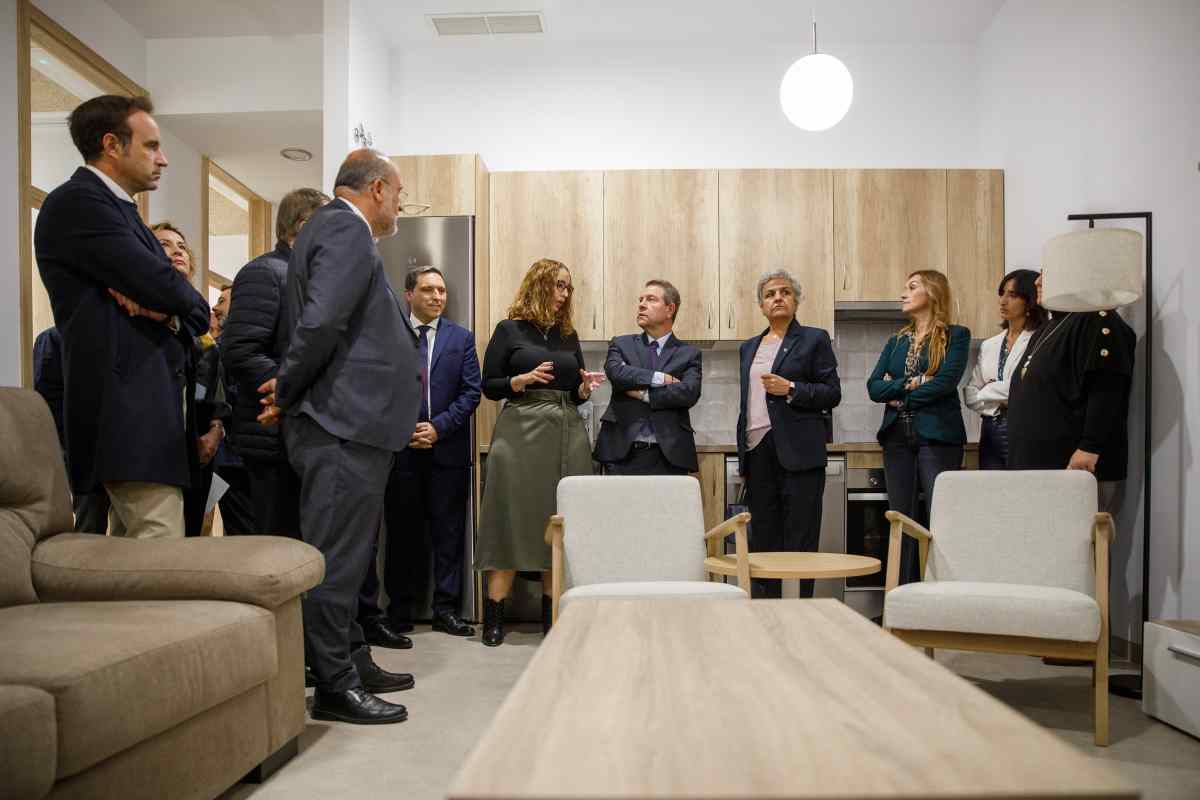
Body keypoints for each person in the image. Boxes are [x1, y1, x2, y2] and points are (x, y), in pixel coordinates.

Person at [257, 150, 422, 725]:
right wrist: (286, 390)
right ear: (377, 188)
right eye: (399, 193)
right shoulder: (344, 228)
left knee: (351, 558)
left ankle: (352, 658)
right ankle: (333, 683)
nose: (400, 204)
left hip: (353, 424)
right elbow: (321, 322)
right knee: (336, 560)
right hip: (341, 422)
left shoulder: (337, 232)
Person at [35, 94, 209, 539]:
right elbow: (167, 288)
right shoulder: (79, 203)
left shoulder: (122, 212)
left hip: (144, 418)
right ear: (112, 145)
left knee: (133, 563)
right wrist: (174, 301)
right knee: (160, 558)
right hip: (123, 413)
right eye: (151, 146)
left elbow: (193, 309)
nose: (163, 159)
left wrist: (171, 314)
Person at [476, 258, 602, 646]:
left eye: (568, 288)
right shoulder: (509, 329)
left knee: (560, 521)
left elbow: (574, 389)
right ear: (538, 285)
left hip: (566, 430)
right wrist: (520, 379)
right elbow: (489, 385)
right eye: (557, 286)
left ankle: (553, 616)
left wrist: (584, 389)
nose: (564, 295)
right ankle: (495, 615)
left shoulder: (569, 335)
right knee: (509, 516)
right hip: (519, 430)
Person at [367, 266, 481, 638]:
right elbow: (378, 389)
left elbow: (470, 393)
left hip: (447, 452)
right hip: (400, 452)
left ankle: (446, 610)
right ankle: (399, 611)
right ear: (409, 294)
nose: (437, 297)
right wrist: (405, 429)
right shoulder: (391, 335)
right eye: (429, 290)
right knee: (402, 536)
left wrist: (438, 427)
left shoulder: (461, 339)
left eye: (442, 291)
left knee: (449, 536)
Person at [222, 188, 328, 538]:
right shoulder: (265, 272)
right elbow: (241, 350)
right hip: (272, 438)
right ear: (303, 225)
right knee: (277, 545)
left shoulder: (308, 278)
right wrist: (291, 391)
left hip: (302, 434)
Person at [736, 270, 841, 599]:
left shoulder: (813, 339)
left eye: (785, 292)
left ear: (796, 301)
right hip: (757, 449)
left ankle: (799, 613)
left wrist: (791, 388)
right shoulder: (748, 347)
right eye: (770, 294)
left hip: (799, 452)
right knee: (764, 539)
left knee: (800, 538)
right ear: (761, 306)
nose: (777, 298)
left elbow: (832, 393)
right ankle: (767, 613)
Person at [867, 270, 970, 585]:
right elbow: (873, 388)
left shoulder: (956, 335)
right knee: (902, 521)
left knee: (941, 520)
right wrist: (913, 382)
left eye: (912, 287)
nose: (903, 293)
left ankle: (941, 599)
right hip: (897, 438)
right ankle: (904, 597)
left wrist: (900, 395)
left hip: (938, 436)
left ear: (933, 292)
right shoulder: (896, 340)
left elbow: (945, 383)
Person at [1007, 273, 1136, 512]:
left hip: (1073, 467)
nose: (1037, 282)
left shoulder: (1099, 319)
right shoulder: (1049, 327)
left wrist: (1090, 447)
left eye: (1047, 273)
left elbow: (1107, 388)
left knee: (1078, 547)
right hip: (1039, 467)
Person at [151, 222, 228, 537]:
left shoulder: (200, 329)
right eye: (165, 244)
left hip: (200, 446)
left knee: (194, 533)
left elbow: (214, 386)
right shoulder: (144, 315)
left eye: (181, 245)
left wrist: (215, 429)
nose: (176, 250)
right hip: (156, 445)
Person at [594, 280, 701, 475]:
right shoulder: (622, 344)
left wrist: (643, 394)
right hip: (621, 452)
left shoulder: (689, 353)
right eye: (641, 299)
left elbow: (688, 393)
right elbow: (617, 374)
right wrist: (660, 378)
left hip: (670, 454)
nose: (641, 304)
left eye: (651, 299)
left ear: (670, 309)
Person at [963, 269, 1042, 469]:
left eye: (1012, 295)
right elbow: (970, 394)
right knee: (993, 495)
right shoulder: (989, 345)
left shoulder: (1041, 340)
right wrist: (1001, 401)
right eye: (1002, 293)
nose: (1003, 301)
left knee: (1022, 493)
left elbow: (1028, 387)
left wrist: (989, 390)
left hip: (1025, 429)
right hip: (990, 430)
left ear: (1029, 301)